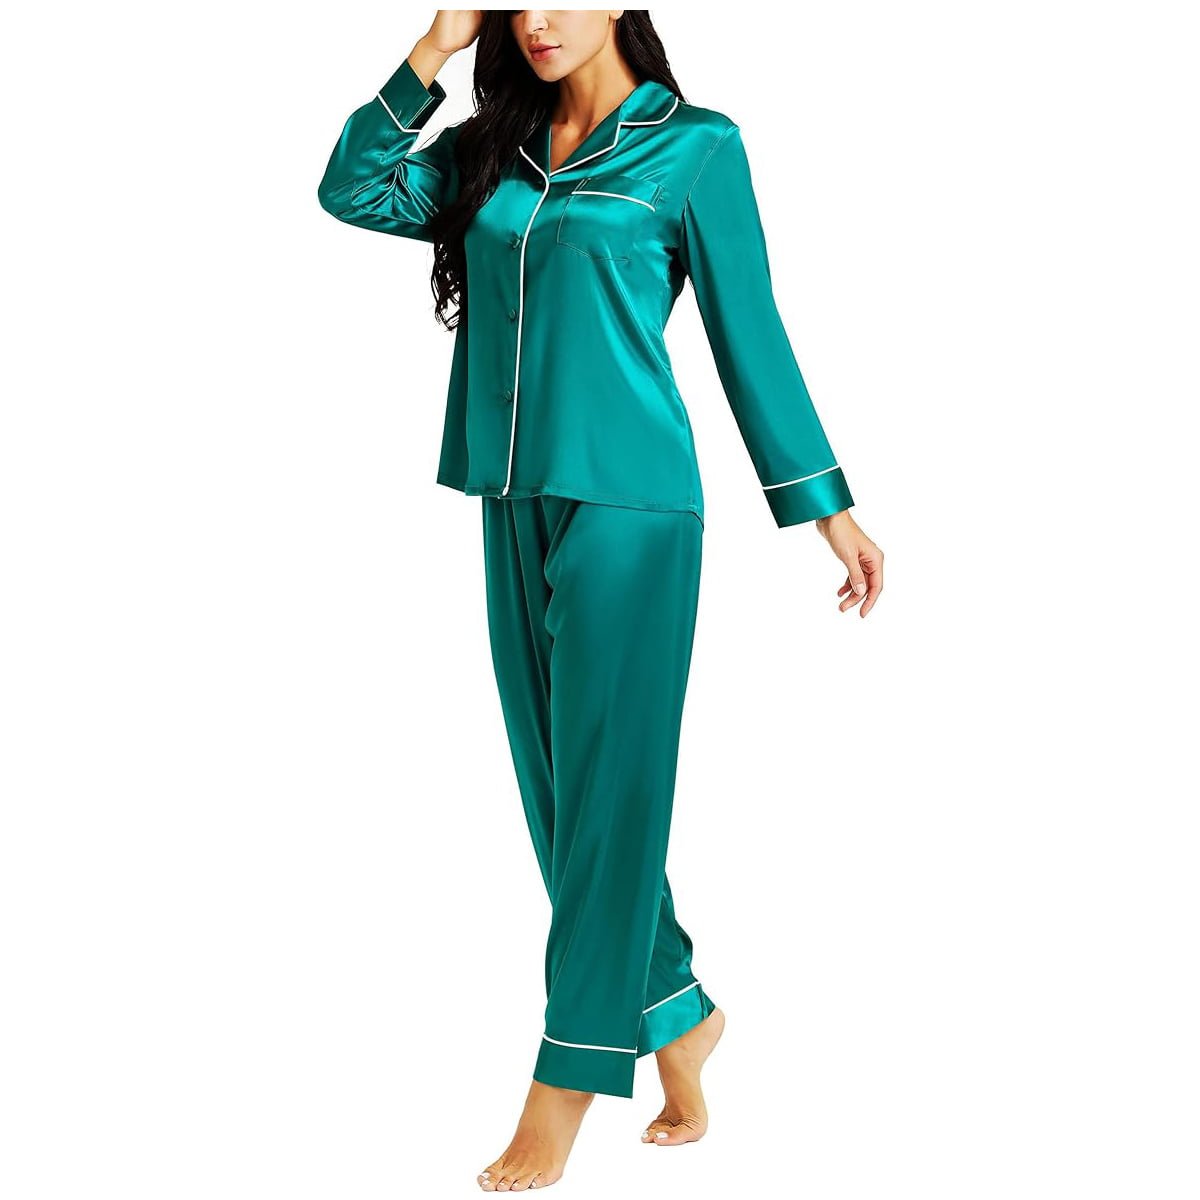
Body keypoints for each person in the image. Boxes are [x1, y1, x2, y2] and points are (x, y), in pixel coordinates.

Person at [318, 9, 885, 1192]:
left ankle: (566, 1077)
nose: (536, 20)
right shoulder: (491, 149)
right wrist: (433, 48)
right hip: (507, 489)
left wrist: (824, 506)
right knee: (560, 795)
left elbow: (750, 332)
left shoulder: (697, 147)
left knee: (610, 795)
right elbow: (352, 188)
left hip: (632, 502)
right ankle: (677, 1011)